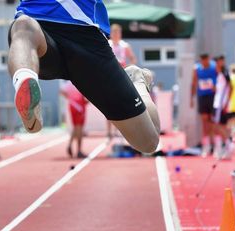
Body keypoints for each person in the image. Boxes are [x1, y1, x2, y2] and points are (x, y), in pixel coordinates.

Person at [8, 0, 160, 154]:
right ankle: (25, 85)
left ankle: (138, 81)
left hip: (85, 35)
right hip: (39, 26)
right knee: (23, 26)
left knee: (148, 142)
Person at [107, 23, 138, 138]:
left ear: (120, 33)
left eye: (118, 32)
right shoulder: (107, 44)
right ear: (111, 33)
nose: (116, 34)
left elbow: (133, 59)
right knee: (109, 104)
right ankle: (109, 132)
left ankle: (121, 130)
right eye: (114, 32)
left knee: (121, 103)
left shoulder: (125, 45)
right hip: (109, 76)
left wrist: (127, 68)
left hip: (121, 76)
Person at [191, 54, 217, 157]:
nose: (204, 62)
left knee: (213, 121)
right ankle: (206, 146)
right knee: (205, 121)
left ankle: (215, 146)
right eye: (202, 60)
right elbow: (193, 83)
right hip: (202, 97)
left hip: (213, 96)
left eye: (206, 60)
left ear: (208, 59)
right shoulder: (197, 68)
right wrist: (191, 98)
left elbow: (220, 78)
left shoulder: (214, 66)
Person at [61, 81, 88, 158]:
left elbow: (61, 91)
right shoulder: (79, 79)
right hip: (79, 105)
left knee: (76, 127)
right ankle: (79, 151)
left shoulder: (68, 82)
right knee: (79, 128)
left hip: (72, 105)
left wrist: (70, 98)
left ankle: (70, 145)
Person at [212, 55, 232, 160]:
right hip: (217, 103)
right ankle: (220, 149)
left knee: (219, 127)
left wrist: (226, 103)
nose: (215, 65)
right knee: (219, 127)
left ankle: (228, 146)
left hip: (221, 104)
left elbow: (230, 88)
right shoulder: (219, 74)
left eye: (217, 62)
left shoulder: (224, 74)